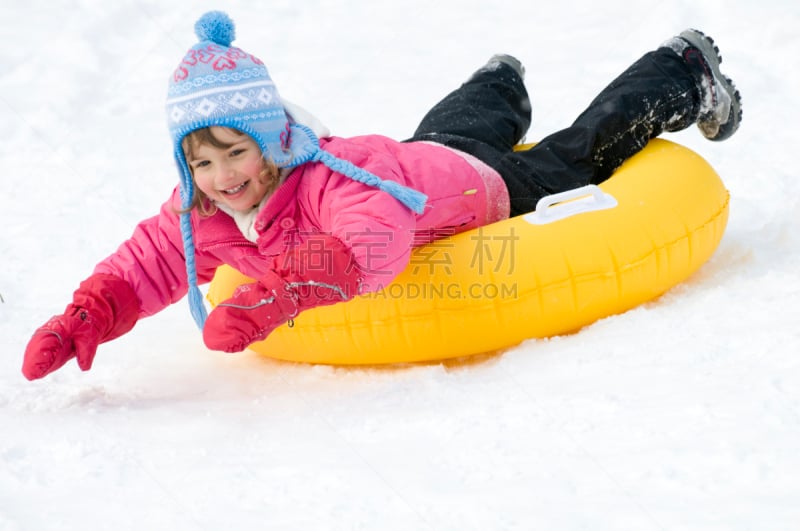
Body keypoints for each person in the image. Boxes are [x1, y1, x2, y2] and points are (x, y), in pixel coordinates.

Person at [21, 11, 742, 380]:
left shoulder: (329, 182)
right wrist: (86, 315)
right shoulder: (205, 212)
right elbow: (145, 262)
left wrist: (278, 294)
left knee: (579, 151)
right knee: (456, 129)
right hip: (425, 158)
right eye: (202, 163)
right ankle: (500, 78)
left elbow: (374, 242)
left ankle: (679, 69)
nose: (223, 178)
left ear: (272, 141)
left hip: (480, 191)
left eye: (236, 153)